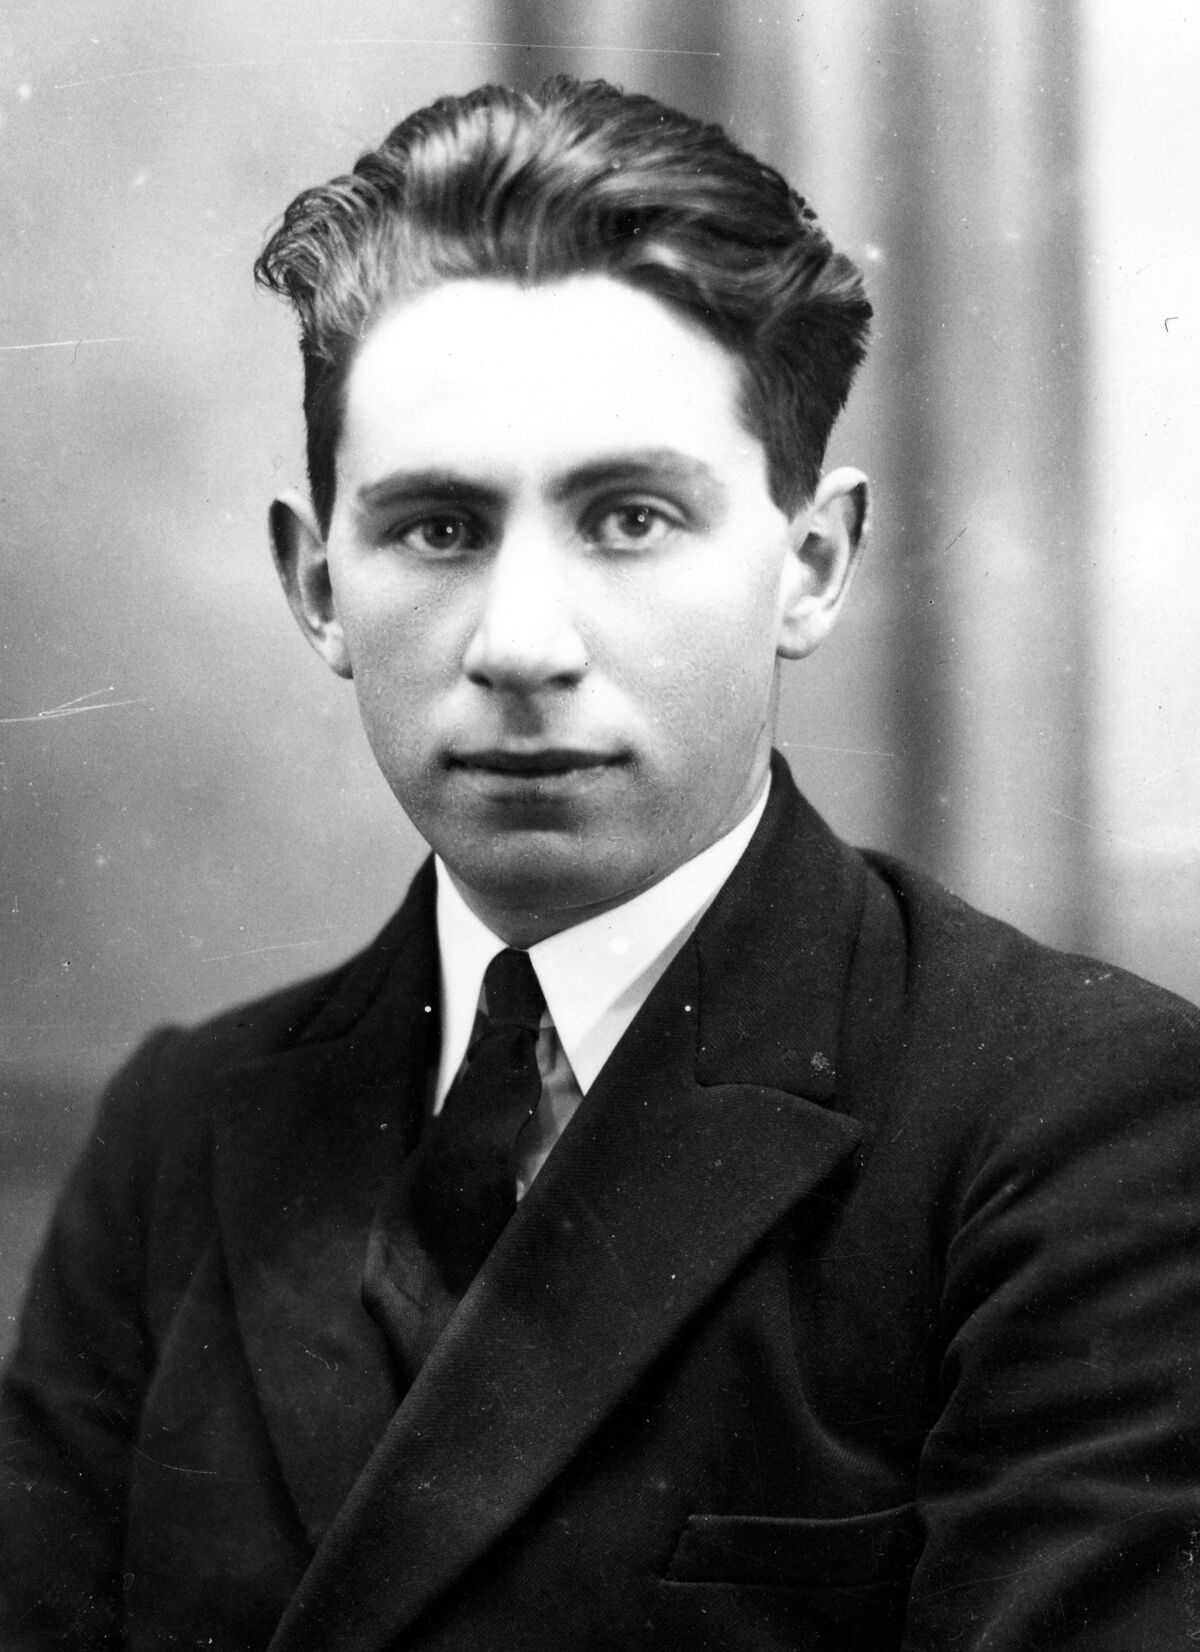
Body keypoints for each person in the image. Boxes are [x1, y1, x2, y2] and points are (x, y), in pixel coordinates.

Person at [1, 75, 1197, 1652]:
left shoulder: (1069, 1125)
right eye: (438, 529)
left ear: (812, 563)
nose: (521, 645)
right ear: (317, 584)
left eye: (630, 519)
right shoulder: (182, 1136)